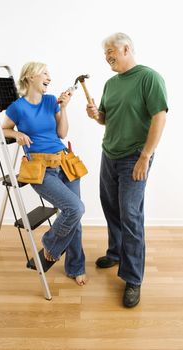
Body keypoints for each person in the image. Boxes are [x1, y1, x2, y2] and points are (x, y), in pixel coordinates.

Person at [86, 32, 168, 307]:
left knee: (131, 215)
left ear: (127, 48)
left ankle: (133, 278)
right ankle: (116, 252)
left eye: (111, 51)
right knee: (110, 206)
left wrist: (146, 155)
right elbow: (106, 118)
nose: (107, 56)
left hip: (135, 156)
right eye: (105, 53)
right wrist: (96, 115)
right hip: (109, 153)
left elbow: (160, 116)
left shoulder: (149, 78)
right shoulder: (110, 83)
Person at [2, 61, 87, 286]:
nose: (49, 77)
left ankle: (75, 266)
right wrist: (15, 134)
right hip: (41, 169)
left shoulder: (52, 102)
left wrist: (64, 108)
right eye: (45, 73)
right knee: (75, 208)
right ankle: (51, 243)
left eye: (49, 74)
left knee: (74, 216)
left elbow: (62, 133)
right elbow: (3, 128)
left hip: (66, 163)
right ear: (30, 77)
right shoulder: (17, 107)